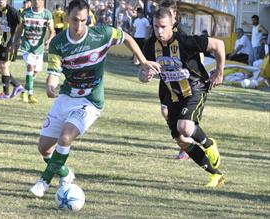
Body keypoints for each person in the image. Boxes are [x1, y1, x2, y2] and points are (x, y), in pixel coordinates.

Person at [29, 0, 160, 197]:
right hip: (67, 97)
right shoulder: (58, 43)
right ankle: (65, 174)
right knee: (44, 148)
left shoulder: (101, 34)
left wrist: (142, 62)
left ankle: (44, 182)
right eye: (74, 20)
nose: (79, 26)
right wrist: (50, 84)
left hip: (90, 102)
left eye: (83, 20)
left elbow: (127, 38)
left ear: (88, 18)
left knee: (65, 137)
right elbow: (54, 71)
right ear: (67, 16)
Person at [140, 8, 226, 187]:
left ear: (173, 24)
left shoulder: (185, 41)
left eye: (163, 26)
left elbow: (219, 45)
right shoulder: (150, 45)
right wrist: (145, 75)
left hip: (195, 88)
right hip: (172, 96)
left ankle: (209, 144)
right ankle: (215, 175)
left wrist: (219, 72)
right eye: (156, 27)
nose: (159, 31)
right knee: (181, 140)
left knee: (185, 126)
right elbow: (141, 73)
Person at [158, 0, 189, 160]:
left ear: (174, 15)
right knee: (166, 112)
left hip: (183, 81)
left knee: (181, 119)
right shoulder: (158, 31)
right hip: (166, 81)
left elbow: (198, 50)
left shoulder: (182, 33)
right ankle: (185, 144)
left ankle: (186, 146)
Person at [11, 0, 55, 104]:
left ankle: (25, 91)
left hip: (39, 49)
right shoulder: (25, 13)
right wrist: (15, 42)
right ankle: (29, 94)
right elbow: (20, 29)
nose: (36, 2)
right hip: (27, 46)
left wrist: (49, 39)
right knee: (30, 66)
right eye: (34, 0)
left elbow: (52, 31)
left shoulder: (47, 14)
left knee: (35, 71)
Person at [0, 0, 24, 99]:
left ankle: (6, 93)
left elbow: (21, 25)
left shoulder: (13, 11)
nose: (0, 1)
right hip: (4, 40)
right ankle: (17, 85)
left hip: (12, 42)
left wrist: (15, 41)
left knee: (4, 66)